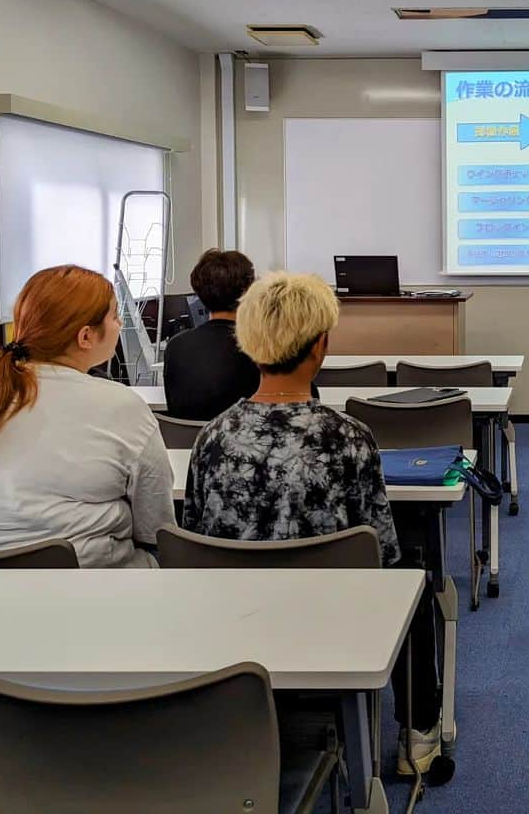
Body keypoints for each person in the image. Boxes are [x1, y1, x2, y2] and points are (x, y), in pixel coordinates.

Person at [183, 271, 443, 773]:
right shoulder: (350, 437)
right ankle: (418, 738)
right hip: (332, 618)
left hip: (231, 622)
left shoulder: (211, 439)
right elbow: (381, 551)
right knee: (415, 577)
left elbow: (195, 536)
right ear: (320, 345)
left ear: (248, 342)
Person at [0, 265, 176, 568]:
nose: (121, 324)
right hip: (94, 589)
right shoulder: (122, 407)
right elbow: (155, 528)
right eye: (115, 316)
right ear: (85, 337)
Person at [163, 248, 260, 420]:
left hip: (188, 444)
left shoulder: (176, 346)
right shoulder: (258, 346)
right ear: (247, 292)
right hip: (241, 444)